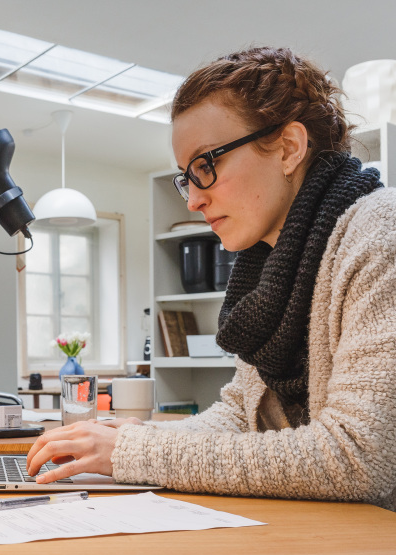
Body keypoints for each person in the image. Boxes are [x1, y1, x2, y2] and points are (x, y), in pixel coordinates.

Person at [26, 47, 396, 510]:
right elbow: (241, 413)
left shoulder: (380, 231)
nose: (193, 201)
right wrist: (145, 434)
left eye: (206, 165)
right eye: (187, 177)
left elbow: (361, 456)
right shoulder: (273, 263)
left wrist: (138, 451)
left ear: (288, 148)